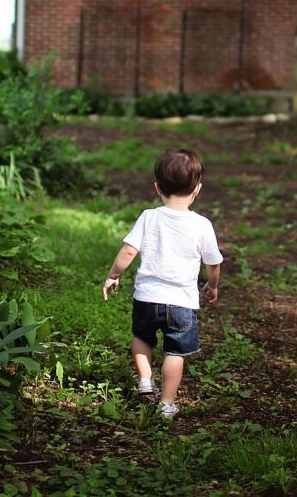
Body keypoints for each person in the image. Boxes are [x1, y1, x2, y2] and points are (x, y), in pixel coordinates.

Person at [101, 147, 223, 419]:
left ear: (158, 187)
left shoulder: (149, 216)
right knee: (175, 353)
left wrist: (113, 275)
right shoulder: (202, 225)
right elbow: (213, 263)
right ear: (197, 189)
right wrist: (212, 285)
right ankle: (166, 404)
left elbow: (128, 251)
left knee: (141, 338)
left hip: (146, 297)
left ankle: (146, 379)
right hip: (181, 303)